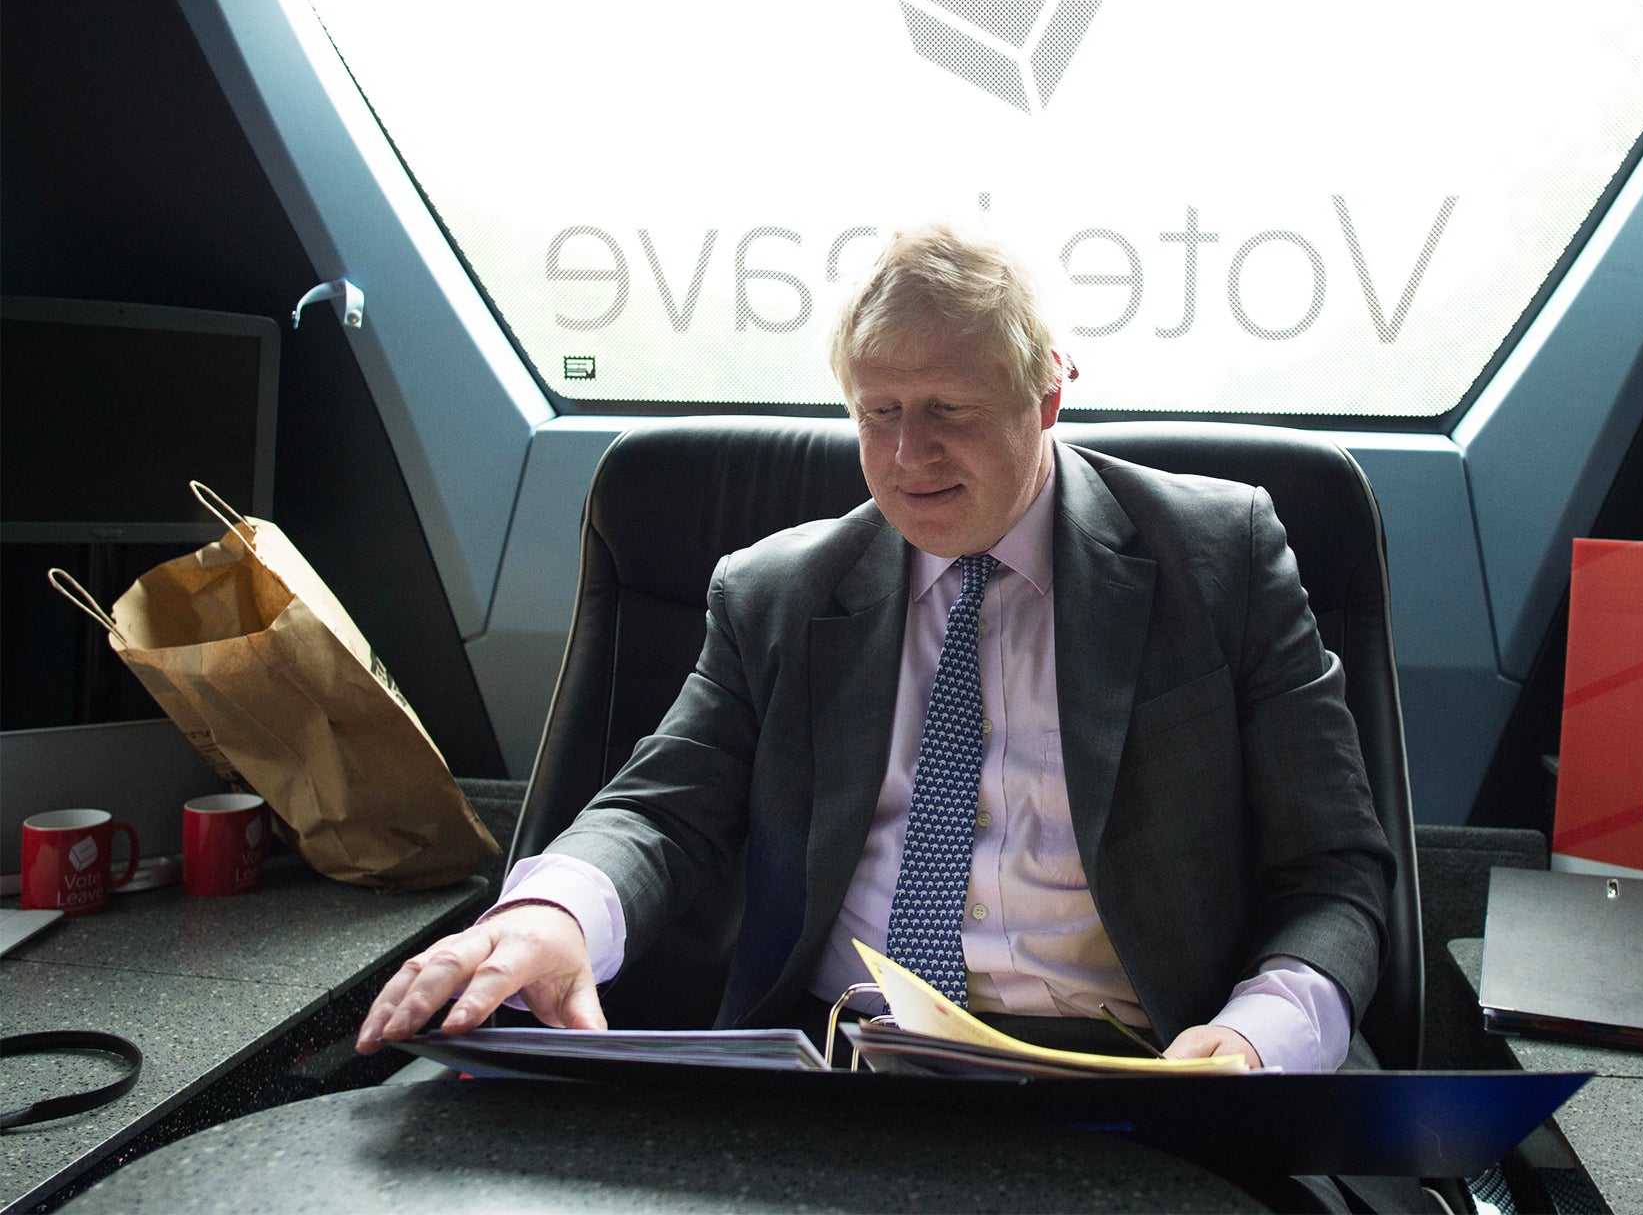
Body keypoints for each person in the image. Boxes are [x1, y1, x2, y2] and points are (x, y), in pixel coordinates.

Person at [359, 223, 1392, 1071]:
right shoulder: (777, 593)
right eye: (879, 413)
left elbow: (1335, 872)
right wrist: (554, 911)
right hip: (841, 1057)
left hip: (1137, 1063)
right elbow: (661, 809)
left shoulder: (1219, 558)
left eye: (949, 412)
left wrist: (1260, 1040)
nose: (907, 458)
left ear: (1047, 400)